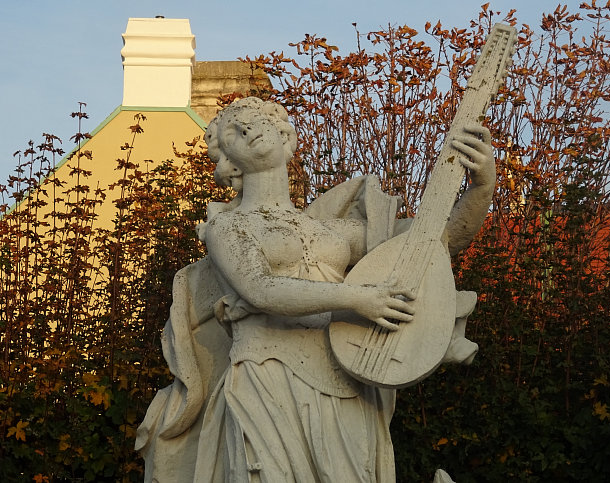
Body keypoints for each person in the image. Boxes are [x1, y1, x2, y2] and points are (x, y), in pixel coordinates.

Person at [137, 97, 495, 482]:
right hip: (268, 375)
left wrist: (482, 185)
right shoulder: (229, 228)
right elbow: (261, 289)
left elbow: (435, 243)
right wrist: (357, 298)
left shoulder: (332, 232)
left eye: (259, 120)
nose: (248, 128)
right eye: (233, 130)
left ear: (286, 138)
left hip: (346, 376)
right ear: (229, 162)